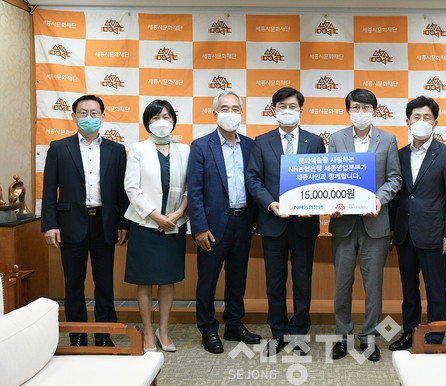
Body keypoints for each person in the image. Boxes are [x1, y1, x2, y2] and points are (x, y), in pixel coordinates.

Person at [41, 94, 129, 347]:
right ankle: (77, 335)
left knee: (105, 284)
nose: (88, 117)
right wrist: (49, 224)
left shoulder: (116, 150)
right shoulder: (59, 148)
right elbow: (49, 190)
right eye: (83, 113)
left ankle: (104, 335)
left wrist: (123, 224)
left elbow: (122, 192)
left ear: (103, 117)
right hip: (70, 224)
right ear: (74, 116)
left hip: (105, 223)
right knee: (73, 285)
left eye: (94, 113)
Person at [246, 87, 326, 356]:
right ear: (274, 110)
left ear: (301, 110)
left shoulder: (315, 142)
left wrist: (313, 205)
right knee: (275, 282)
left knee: (302, 282)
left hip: (304, 224)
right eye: (282, 106)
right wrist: (271, 203)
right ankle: (278, 333)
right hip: (273, 222)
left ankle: (299, 334)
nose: (287, 111)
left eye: (292, 106)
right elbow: (253, 179)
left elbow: (321, 180)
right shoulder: (261, 141)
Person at [328, 88, 402, 362]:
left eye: (366, 108)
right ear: (348, 110)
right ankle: (342, 337)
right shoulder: (336, 139)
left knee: (373, 286)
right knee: (341, 284)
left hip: (375, 222)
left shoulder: (388, 139)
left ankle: (369, 337)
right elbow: (330, 178)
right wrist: (333, 200)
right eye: (356, 108)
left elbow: (394, 178)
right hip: (344, 223)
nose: (361, 112)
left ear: (375, 110)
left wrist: (379, 199)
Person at [187, 90, 261, 354]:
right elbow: (194, 190)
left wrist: (255, 218)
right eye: (225, 108)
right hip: (212, 226)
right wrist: (199, 228)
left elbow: (255, 184)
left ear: (241, 114)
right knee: (207, 280)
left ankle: (233, 324)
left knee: (237, 278)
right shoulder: (201, 146)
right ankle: (208, 329)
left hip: (243, 222)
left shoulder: (251, 145)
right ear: (214, 113)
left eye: (235, 109)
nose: (230, 113)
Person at [388, 96, 446, 351]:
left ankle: (434, 337)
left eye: (426, 117)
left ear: (435, 123)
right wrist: (391, 229)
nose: (421, 121)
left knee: (435, 290)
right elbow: (396, 195)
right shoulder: (399, 155)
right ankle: (410, 332)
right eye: (416, 117)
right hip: (404, 233)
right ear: (408, 122)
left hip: (434, 234)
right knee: (409, 290)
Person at [123, 99, 189, 352]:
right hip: (145, 224)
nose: (162, 122)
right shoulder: (138, 149)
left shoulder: (185, 149)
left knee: (167, 279)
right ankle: (148, 333)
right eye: (155, 118)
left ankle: (164, 330)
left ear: (173, 120)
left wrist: (177, 214)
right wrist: (156, 217)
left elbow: (190, 188)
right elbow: (132, 188)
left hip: (174, 223)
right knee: (145, 280)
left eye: (166, 117)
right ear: (147, 122)